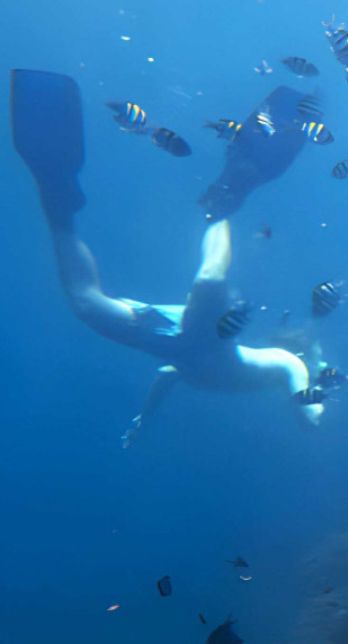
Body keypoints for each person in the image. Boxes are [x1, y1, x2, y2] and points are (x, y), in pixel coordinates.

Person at [10, 69, 326, 444]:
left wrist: (144, 417)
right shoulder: (285, 363)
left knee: (85, 302)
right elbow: (310, 420)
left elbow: (166, 377)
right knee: (209, 277)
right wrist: (317, 378)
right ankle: (229, 192)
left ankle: (56, 194)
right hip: (204, 337)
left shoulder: (256, 366)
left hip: (174, 342)